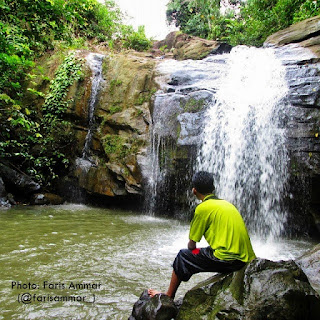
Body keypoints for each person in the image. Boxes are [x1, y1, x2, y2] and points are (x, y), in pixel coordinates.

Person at [148, 171, 256, 299]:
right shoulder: (228, 205)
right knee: (206, 252)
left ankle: (169, 295)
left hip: (227, 259)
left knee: (183, 256)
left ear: (194, 191)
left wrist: (193, 253)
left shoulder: (202, 208)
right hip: (245, 260)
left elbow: (192, 244)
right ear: (213, 188)